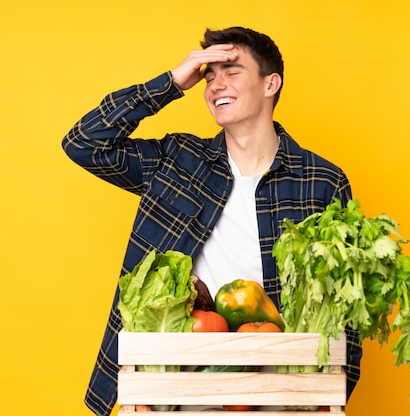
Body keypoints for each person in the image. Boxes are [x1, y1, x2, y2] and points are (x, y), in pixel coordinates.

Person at [62, 26, 362, 416]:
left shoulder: (321, 180)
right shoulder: (177, 161)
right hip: (181, 376)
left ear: (271, 83)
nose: (215, 85)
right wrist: (170, 83)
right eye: (208, 75)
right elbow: (84, 143)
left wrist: (330, 396)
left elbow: (348, 305)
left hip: (281, 382)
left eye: (231, 71)